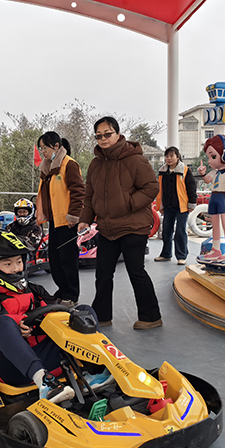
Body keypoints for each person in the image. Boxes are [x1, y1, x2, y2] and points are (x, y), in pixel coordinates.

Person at [0, 230, 110, 404]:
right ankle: (45, 383)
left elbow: (56, 313)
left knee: (84, 311)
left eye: (18, 261)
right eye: (8, 264)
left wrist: (46, 320)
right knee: (2, 322)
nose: (16, 268)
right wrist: (15, 324)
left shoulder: (33, 289)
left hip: (44, 354)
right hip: (11, 366)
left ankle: (97, 371)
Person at [78, 116, 162, 330]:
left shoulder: (135, 160)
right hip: (107, 228)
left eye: (107, 134)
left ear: (117, 134)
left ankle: (151, 316)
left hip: (133, 226)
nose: (103, 139)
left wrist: (129, 203)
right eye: (99, 136)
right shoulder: (96, 164)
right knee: (103, 274)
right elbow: (89, 196)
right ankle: (102, 315)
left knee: (136, 272)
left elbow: (151, 187)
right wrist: (85, 219)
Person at [36, 131, 85, 308]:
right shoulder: (47, 168)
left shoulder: (69, 165)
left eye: (45, 147)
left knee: (67, 259)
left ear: (56, 146)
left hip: (67, 221)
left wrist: (73, 216)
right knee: (55, 259)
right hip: (54, 221)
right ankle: (62, 290)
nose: (43, 151)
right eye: (40, 148)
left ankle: (71, 294)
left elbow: (78, 192)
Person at [154, 146, 197, 265]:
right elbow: (160, 190)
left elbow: (192, 188)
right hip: (168, 206)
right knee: (166, 231)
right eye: (167, 156)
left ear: (177, 157)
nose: (169, 158)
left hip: (182, 206)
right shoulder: (162, 172)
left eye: (171, 156)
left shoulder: (185, 170)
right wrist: (161, 206)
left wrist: (191, 204)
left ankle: (181, 256)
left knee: (180, 231)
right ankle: (166, 254)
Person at [197, 134, 225, 261]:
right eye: (209, 157)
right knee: (215, 225)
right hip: (213, 198)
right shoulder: (214, 172)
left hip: (223, 197)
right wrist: (202, 173)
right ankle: (216, 249)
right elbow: (207, 180)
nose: (209, 161)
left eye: (213, 156)